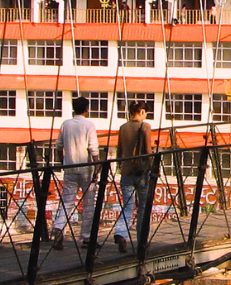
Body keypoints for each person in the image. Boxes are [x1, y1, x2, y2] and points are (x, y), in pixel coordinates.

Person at [52, 96, 101, 249]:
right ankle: (87, 237)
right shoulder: (89, 125)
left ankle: (59, 228)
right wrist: (97, 167)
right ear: (86, 109)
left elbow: (59, 147)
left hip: (70, 167)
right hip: (86, 168)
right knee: (88, 204)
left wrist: (64, 161)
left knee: (67, 200)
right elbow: (93, 149)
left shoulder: (66, 125)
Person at [111, 101, 155, 254]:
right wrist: (152, 167)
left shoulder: (123, 128)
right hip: (142, 173)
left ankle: (121, 233)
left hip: (126, 172)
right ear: (142, 112)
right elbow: (148, 150)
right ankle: (142, 240)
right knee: (143, 207)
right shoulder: (145, 127)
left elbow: (120, 151)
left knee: (127, 206)